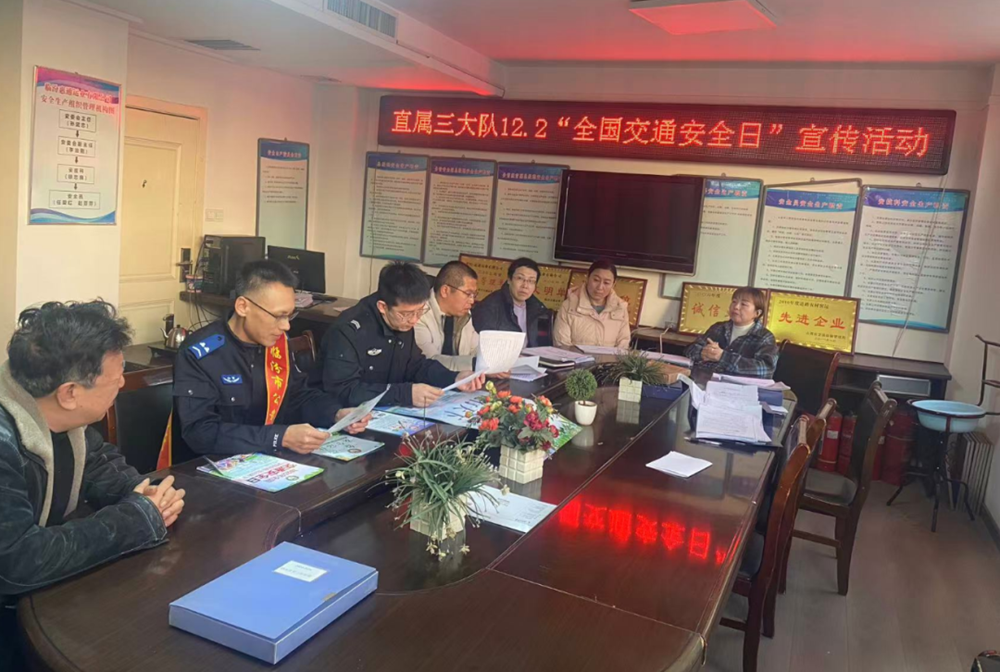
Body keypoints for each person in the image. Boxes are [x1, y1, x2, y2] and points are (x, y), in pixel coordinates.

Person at [0, 301, 185, 669]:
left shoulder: (61, 415)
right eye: (115, 376)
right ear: (70, 393)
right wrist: (137, 518)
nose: (122, 382)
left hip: (43, 602)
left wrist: (146, 494)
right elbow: (18, 561)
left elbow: (102, 466)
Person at [165, 260, 370, 467]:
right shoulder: (200, 354)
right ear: (243, 306)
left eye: (290, 315)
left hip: (268, 462)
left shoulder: (277, 344)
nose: (286, 326)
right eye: (278, 316)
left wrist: (335, 414)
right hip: (210, 468)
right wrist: (279, 437)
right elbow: (200, 433)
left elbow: (297, 396)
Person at [321, 261, 485, 408]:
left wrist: (454, 378)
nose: (414, 320)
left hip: (386, 411)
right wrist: (405, 393)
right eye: (406, 314)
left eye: (420, 311)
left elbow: (416, 365)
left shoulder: (402, 322)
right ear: (383, 307)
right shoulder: (348, 331)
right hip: (346, 415)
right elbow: (345, 390)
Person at [685, 287, 779, 378]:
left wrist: (722, 357)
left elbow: (765, 369)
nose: (736, 307)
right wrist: (702, 353)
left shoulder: (764, 337)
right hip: (703, 380)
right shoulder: (718, 328)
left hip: (738, 386)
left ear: (757, 313)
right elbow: (690, 349)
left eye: (743, 304)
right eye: (734, 302)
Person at [414, 261, 480, 372]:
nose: (472, 301)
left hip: (462, 379)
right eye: (468, 294)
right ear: (445, 291)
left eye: (474, 295)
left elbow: (476, 349)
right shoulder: (419, 313)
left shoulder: (464, 314)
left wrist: (491, 363)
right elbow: (431, 361)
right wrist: (474, 364)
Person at [471, 257, 551, 347]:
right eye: (520, 278)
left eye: (531, 281)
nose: (525, 285)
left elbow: (544, 345)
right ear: (509, 279)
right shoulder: (489, 307)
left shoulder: (539, 310)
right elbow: (484, 345)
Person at [553, 259, 631, 350]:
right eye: (596, 280)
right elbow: (562, 344)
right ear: (587, 277)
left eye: (606, 283)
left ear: (613, 284)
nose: (600, 287)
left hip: (610, 359)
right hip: (575, 358)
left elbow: (623, 344)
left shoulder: (620, 308)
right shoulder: (568, 306)